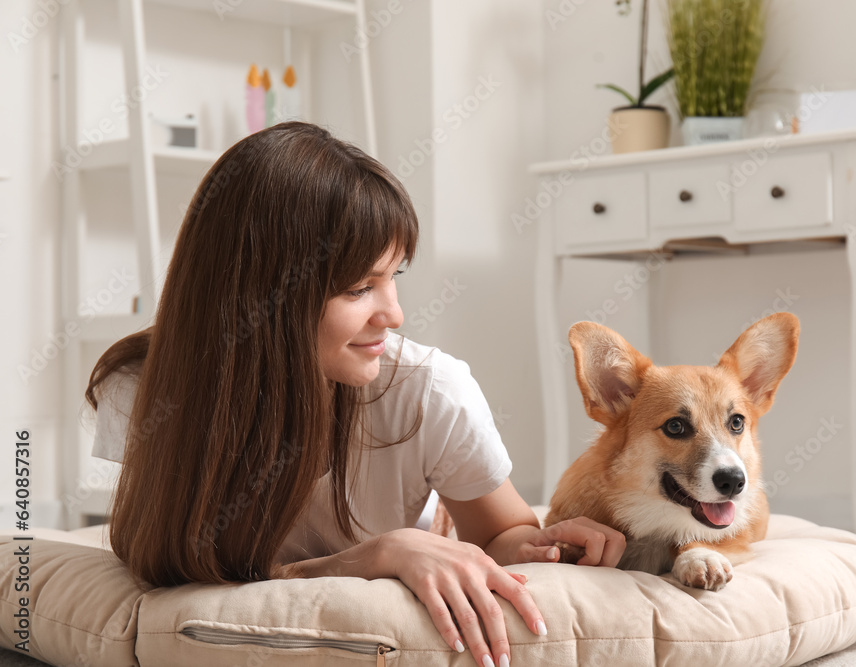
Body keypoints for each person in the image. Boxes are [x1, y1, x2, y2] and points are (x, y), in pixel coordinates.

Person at [85, 122, 625, 667]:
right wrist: (376, 555)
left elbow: (502, 533)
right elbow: (163, 562)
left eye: (394, 276)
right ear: (264, 294)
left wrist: (546, 545)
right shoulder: (140, 388)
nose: (394, 314)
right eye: (359, 288)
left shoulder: (428, 390)